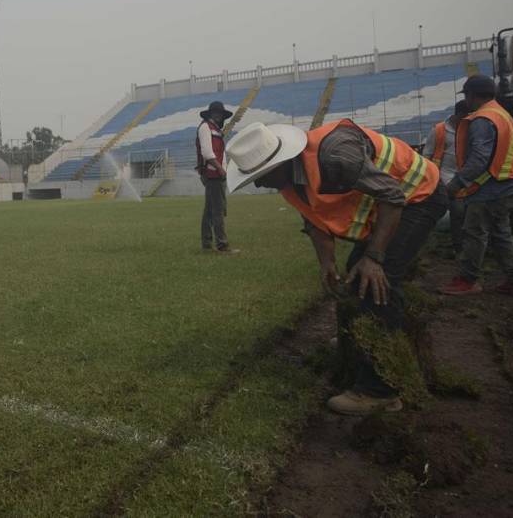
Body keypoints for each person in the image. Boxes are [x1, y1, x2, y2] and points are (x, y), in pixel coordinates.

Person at [225, 119, 446, 415]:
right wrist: (326, 262)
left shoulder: (337, 156)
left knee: (375, 282)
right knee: (358, 273)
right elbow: (313, 220)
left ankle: (380, 391)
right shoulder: (290, 179)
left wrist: (375, 257)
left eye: (262, 175)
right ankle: (361, 351)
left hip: (418, 196)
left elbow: (393, 196)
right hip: (390, 205)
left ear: (282, 161)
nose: (259, 183)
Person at [438, 75, 513, 298]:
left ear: (472, 95)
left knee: (474, 232)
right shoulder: (502, 115)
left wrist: (457, 183)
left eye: (467, 95)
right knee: (501, 233)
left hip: (490, 187)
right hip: (507, 182)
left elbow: (480, 157)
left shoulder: (482, 119)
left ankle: (468, 279)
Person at [421, 100, 470, 256]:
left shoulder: (471, 129)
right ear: (458, 114)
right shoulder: (439, 130)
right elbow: (427, 156)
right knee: (455, 210)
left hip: (462, 179)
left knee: (460, 213)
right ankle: (455, 246)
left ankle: (459, 246)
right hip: (441, 179)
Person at [195, 100, 239, 253]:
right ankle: (222, 244)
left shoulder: (214, 129)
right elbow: (207, 153)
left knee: (209, 210)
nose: (219, 116)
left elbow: (218, 153)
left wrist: (223, 168)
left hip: (215, 173)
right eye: (217, 113)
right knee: (218, 210)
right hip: (213, 174)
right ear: (211, 114)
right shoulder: (205, 127)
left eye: (220, 113)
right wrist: (221, 169)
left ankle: (207, 243)